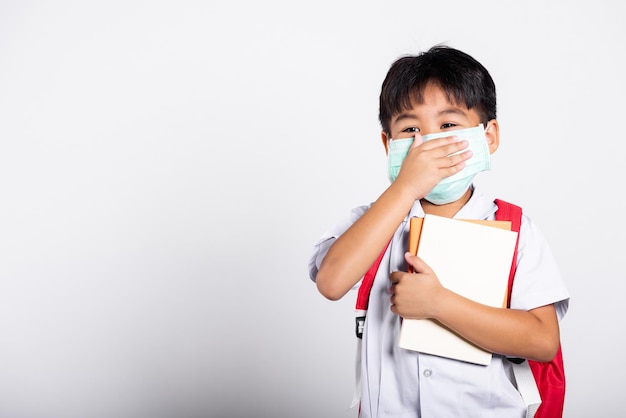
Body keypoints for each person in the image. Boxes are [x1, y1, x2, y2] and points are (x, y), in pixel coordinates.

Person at [307, 45, 570, 417]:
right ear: (389, 145)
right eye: (411, 129)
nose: (428, 143)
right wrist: (405, 188)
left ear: (488, 137)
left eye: (448, 125)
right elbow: (331, 282)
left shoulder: (515, 229)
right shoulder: (373, 222)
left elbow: (542, 340)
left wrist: (438, 304)